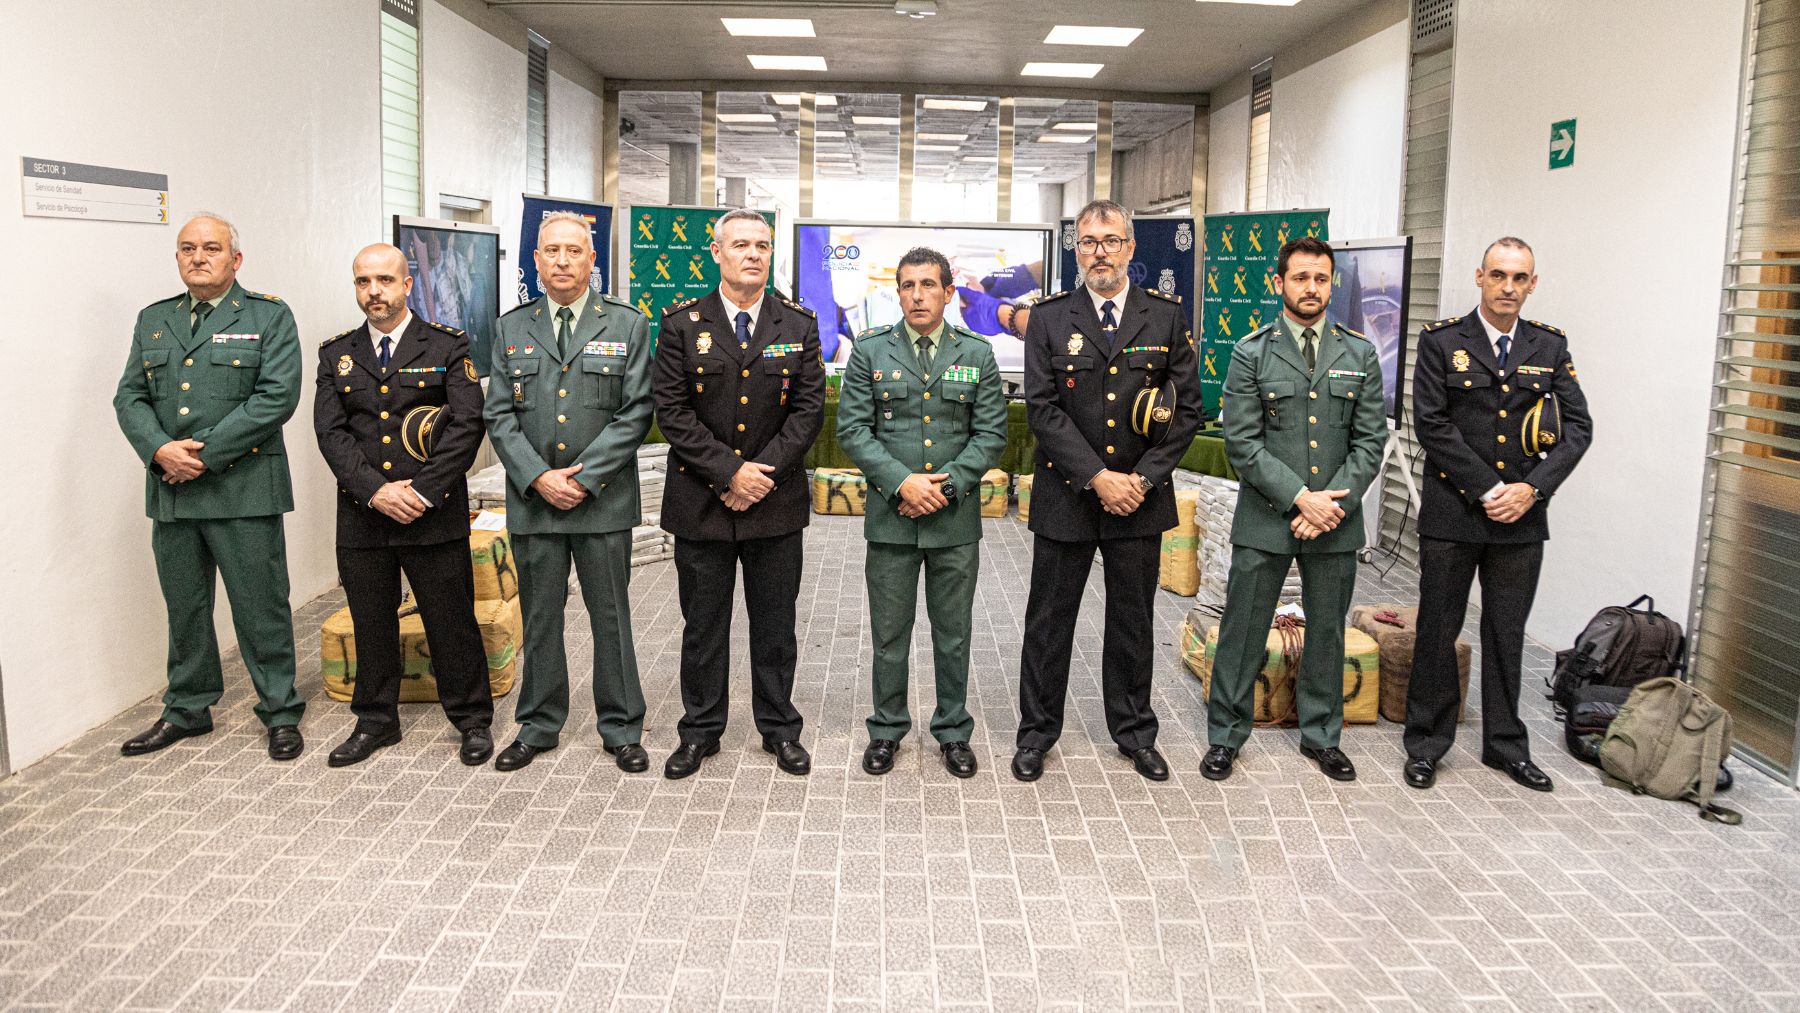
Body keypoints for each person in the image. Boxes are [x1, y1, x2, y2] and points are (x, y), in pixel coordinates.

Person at [1013, 199, 1202, 783]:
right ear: (1076, 250)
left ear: (1130, 248)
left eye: (1111, 240)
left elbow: (1187, 411)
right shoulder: (1047, 318)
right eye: (1090, 241)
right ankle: (1036, 734)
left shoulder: (1166, 317)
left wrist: (1141, 480)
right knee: (1049, 622)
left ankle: (1134, 732)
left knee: (1132, 620)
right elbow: (1042, 410)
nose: (1101, 251)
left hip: (1139, 500)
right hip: (1069, 495)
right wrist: (1098, 478)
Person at [112, 212, 305, 760]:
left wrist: (202, 454)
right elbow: (129, 397)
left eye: (211, 248)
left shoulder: (269, 316)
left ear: (235, 260)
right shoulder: (153, 320)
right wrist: (159, 450)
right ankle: (188, 708)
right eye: (187, 248)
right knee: (186, 607)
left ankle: (280, 710)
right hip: (173, 492)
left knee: (260, 606)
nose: (198, 257)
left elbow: (276, 397)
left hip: (244, 490)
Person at [1402, 237, 1592, 792]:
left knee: (1507, 632)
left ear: (1533, 284)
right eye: (1499, 275)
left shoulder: (1550, 346)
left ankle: (1506, 746)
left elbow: (1578, 428)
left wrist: (1531, 490)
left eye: (1520, 278)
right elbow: (1432, 424)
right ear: (1479, 277)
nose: (1509, 287)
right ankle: (1427, 744)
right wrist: (1489, 489)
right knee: (1438, 629)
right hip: (1455, 512)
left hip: (1523, 519)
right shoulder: (1442, 342)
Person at [1201, 236, 1387, 783]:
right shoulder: (1251, 352)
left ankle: (1321, 735)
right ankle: (1226, 735)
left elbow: (1369, 442)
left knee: (1327, 630)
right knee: (1243, 628)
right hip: (1267, 517)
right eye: (1301, 277)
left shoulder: (1358, 352)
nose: (1312, 288)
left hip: (1335, 520)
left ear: (1332, 284)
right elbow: (1242, 443)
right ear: (1278, 283)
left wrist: (1328, 504)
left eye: (1322, 278)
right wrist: (1299, 498)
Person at [652, 208, 826, 779]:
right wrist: (730, 473)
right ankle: (700, 731)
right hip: (701, 504)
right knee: (703, 626)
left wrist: (760, 475)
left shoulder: (798, 325)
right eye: (742, 245)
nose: (753, 254)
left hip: (773, 505)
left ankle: (779, 729)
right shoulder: (681, 324)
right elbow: (672, 413)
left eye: (762, 246)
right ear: (718, 253)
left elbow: (807, 413)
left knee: (775, 626)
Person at [483, 212, 654, 773]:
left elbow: (635, 413)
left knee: (611, 615)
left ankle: (622, 725)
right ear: (535, 260)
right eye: (551, 250)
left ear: (591, 261)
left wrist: (581, 478)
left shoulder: (627, 324)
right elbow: (499, 415)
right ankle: (538, 723)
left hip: (601, 502)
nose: (561, 260)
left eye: (573, 251)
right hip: (535, 500)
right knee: (539, 616)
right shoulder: (510, 328)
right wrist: (537, 477)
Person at [313, 244, 494, 767]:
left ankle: (471, 719)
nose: (375, 292)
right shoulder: (337, 354)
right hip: (364, 514)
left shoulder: (447, 346)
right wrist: (375, 490)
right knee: (371, 619)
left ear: (407, 284)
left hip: (431, 511)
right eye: (364, 282)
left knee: (450, 619)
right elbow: (331, 432)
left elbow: (466, 425)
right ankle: (375, 720)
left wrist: (420, 491)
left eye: (385, 280)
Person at [835, 247, 1008, 778]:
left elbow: (991, 434)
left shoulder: (976, 353)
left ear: (948, 292)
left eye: (928, 285)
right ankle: (886, 728)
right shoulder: (870, 351)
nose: (916, 295)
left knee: (952, 632)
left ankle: (953, 731)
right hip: (892, 517)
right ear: (898, 292)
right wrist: (902, 483)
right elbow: (853, 431)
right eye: (907, 285)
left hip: (954, 521)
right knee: (890, 632)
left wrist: (947, 486)